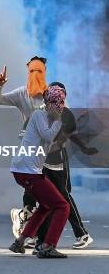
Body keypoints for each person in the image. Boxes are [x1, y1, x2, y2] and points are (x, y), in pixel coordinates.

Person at [9, 85, 70, 258]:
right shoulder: (38, 115)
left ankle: (20, 241)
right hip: (26, 170)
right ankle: (47, 246)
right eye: (57, 102)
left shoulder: (50, 118)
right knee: (62, 206)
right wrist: (59, 121)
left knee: (46, 206)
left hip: (31, 170)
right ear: (48, 103)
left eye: (62, 102)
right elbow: (47, 136)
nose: (60, 106)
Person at [35, 82, 96, 251]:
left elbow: (65, 135)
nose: (56, 98)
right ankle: (40, 239)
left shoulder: (62, 112)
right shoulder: (43, 111)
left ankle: (81, 234)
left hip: (57, 160)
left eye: (59, 95)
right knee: (47, 198)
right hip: (43, 159)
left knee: (62, 196)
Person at [0, 57, 47, 240]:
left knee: (48, 191)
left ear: (45, 72)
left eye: (39, 72)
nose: (35, 75)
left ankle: (25, 222)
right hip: (28, 148)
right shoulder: (22, 93)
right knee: (33, 188)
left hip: (48, 149)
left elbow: (65, 116)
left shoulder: (50, 94)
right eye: (32, 72)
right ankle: (27, 224)